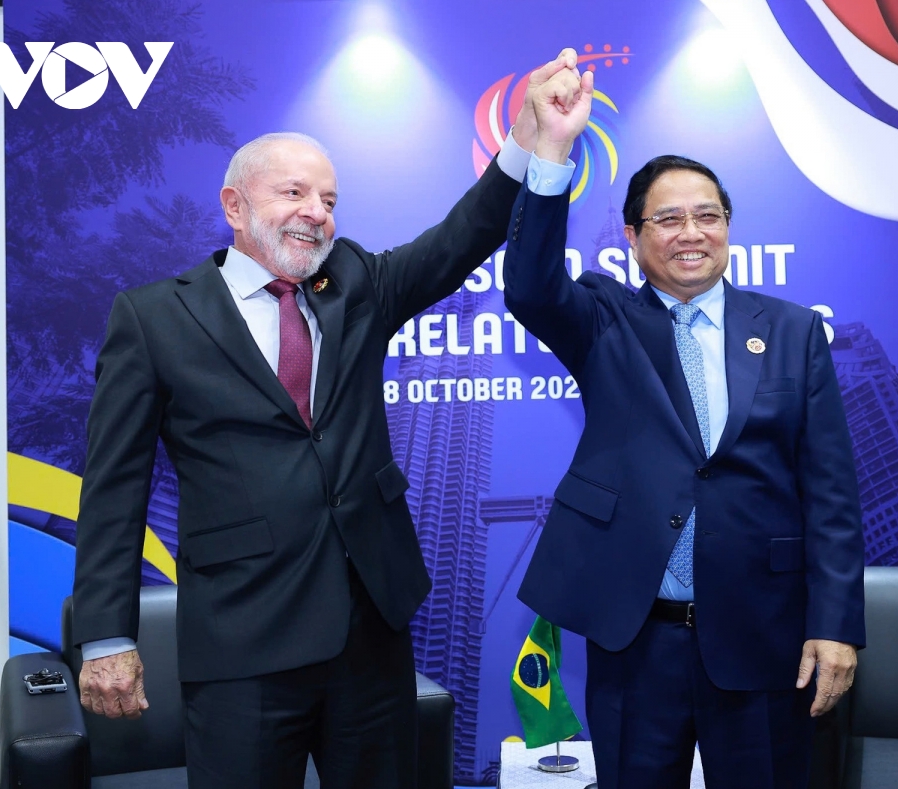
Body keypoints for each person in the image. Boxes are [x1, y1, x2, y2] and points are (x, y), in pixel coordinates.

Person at [71, 49, 582, 789]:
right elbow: (113, 488)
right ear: (234, 206)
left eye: (329, 198)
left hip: (369, 633)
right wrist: (106, 637)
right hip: (242, 642)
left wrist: (530, 135)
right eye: (295, 192)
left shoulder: (355, 284)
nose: (317, 211)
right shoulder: (153, 318)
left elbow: (462, 236)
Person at [504, 67, 866, 788]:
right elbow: (531, 286)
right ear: (634, 237)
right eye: (668, 220)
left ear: (728, 226)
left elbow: (831, 494)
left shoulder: (792, 331)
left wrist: (835, 624)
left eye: (708, 215)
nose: (692, 233)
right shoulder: (604, 319)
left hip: (764, 634)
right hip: (638, 638)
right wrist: (553, 151)